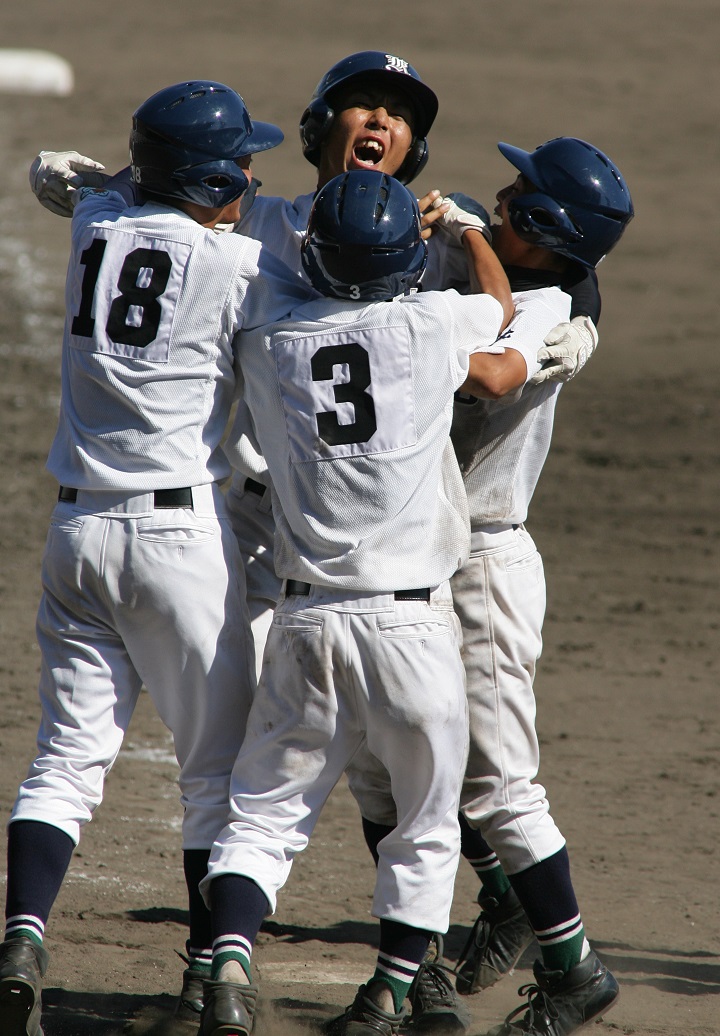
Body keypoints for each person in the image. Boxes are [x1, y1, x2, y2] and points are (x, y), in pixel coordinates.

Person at [25, 52, 602, 1031]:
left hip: (369, 546)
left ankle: (279, 952)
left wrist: (580, 314)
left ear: (415, 149)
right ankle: (379, 966)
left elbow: (558, 278)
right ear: (322, 125)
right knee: (357, 754)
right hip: (251, 525)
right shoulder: (285, 226)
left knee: (281, 772)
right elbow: (506, 315)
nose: (380, 123)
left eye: (400, 117)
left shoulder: (403, 245)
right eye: (362, 107)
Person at [191, 166, 564, 1036]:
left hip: (304, 619)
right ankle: (393, 992)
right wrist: (469, 231)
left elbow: (261, 278)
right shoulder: (434, 326)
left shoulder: (270, 336)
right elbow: (502, 315)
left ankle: (231, 963)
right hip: (411, 627)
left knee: (262, 817)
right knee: (427, 827)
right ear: (405, 261)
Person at [0, 80, 312, 1036]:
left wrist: (101, 174)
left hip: (73, 538)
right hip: (178, 542)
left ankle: (20, 938)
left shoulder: (95, 227)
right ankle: (215, 972)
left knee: (63, 760)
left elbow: (96, 185)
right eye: (241, 167)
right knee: (216, 773)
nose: (253, 178)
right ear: (212, 179)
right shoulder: (237, 265)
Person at [357, 137, 634, 1036]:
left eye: (521, 195)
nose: (501, 193)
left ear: (543, 227)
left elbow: (486, 359)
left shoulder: (549, 311)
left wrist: (465, 256)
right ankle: (426, 958)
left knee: (500, 790)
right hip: (415, 557)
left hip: (482, 560)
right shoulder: (497, 258)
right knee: (393, 763)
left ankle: (573, 969)